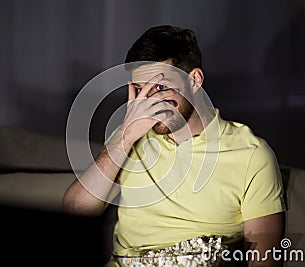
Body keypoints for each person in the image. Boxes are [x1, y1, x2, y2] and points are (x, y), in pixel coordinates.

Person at [63, 25, 286, 267]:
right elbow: (76, 212)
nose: (150, 101)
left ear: (195, 80)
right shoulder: (130, 137)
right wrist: (125, 138)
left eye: (160, 87)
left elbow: (264, 258)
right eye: (140, 89)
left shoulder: (251, 154)